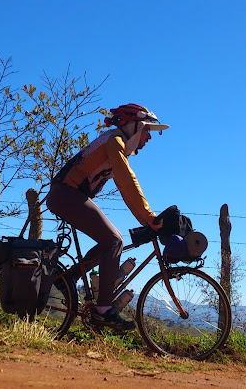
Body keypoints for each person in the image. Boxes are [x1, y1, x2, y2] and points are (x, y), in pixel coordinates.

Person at [45, 103, 168, 330]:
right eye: (147, 131)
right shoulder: (115, 141)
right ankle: (103, 312)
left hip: (67, 194)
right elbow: (127, 182)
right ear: (134, 126)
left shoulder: (115, 142)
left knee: (111, 241)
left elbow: (126, 189)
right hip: (65, 194)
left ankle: (69, 278)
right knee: (114, 240)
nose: (148, 138)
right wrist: (149, 216)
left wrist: (145, 219)